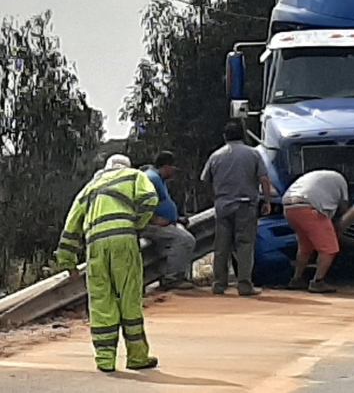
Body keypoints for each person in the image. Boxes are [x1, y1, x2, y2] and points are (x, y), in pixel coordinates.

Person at [55, 154, 160, 373]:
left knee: (101, 299)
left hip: (95, 244)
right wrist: (137, 223)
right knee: (128, 297)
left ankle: (105, 360)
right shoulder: (134, 176)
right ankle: (137, 357)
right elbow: (150, 199)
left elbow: (71, 226)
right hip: (124, 240)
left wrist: (68, 261)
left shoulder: (88, 189)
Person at [201, 121, 272, 296]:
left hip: (223, 205)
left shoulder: (216, 155)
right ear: (243, 135)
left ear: (225, 137)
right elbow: (264, 179)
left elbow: (205, 180)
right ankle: (244, 284)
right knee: (245, 244)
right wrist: (268, 201)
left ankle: (219, 284)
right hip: (246, 205)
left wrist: (215, 197)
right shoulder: (253, 154)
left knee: (221, 246)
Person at [283, 170, 349, 293]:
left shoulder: (317, 176)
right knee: (329, 249)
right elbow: (343, 208)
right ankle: (318, 282)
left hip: (289, 207)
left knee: (305, 247)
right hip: (310, 208)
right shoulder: (341, 180)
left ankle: (296, 279)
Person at [141, 151, 196, 291]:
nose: (174, 172)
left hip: (161, 223)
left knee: (180, 237)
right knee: (185, 240)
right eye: (173, 168)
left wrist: (176, 218)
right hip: (149, 225)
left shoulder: (158, 178)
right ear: (166, 166)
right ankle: (172, 279)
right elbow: (141, 202)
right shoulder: (151, 178)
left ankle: (174, 274)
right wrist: (153, 219)